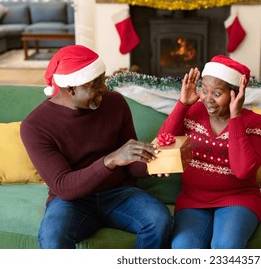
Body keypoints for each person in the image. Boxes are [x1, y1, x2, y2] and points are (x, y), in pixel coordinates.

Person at [20, 45, 172, 249]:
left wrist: (155, 164)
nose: (104, 88)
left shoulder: (115, 103)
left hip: (119, 193)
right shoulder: (35, 126)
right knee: (53, 237)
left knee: (159, 221)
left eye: (103, 79)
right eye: (95, 84)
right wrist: (111, 160)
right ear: (71, 88)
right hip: (72, 201)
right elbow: (64, 187)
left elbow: (131, 164)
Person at [157, 55, 261, 248]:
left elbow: (242, 170)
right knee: (183, 248)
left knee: (226, 246)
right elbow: (162, 145)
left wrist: (235, 117)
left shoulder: (256, 124)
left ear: (236, 94)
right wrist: (182, 105)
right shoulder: (193, 112)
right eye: (205, 90)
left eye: (217, 94)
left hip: (238, 199)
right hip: (193, 200)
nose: (208, 99)